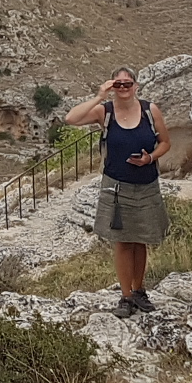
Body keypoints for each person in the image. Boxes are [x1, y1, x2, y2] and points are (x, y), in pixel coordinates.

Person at [63, 67, 169, 316]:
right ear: (112, 86)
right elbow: (71, 119)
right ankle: (126, 297)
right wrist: (100, 95)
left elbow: (165, 142)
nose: (123, 88)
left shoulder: (149, 111)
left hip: (146, 184)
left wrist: (150, 158)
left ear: (136, 85)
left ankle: (139, 290)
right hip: (116, 186)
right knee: (122, 242)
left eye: (127, 83)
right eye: (118, 84)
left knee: (140, 240)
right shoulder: (105, 112)